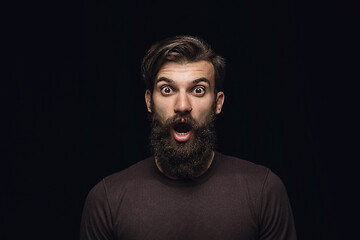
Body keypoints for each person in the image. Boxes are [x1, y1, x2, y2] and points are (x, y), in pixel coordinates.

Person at [80, 35, 297, 240]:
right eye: (167, 89)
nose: (182, 106)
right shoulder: (107, 199)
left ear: (218, 103)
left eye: (198, 90)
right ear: (149, 101)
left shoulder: (263, 191)